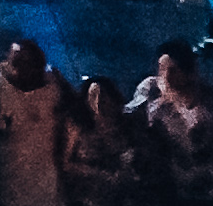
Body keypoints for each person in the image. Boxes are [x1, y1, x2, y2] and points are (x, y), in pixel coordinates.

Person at [131, 43, 213, 206]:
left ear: (187, 73)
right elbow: (128, 112)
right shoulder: (151, 89)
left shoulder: (208, 105)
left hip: (205, 188)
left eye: (173, 70)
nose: (166, 77)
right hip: (165, 182)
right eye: (162, 69)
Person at [0, 39, 67, 206]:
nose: (19, 70)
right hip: (7, 177)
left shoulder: (53, 83)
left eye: (27, 64)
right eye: (16, 62)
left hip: (46, 181)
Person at [57, 78, 149, 206]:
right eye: (95, 96)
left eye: (104, 96)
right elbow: (67, 163)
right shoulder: (78, 125)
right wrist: (99, 174)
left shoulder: (125, 124)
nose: (100, 101)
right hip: (89, 197)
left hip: (121, 196)